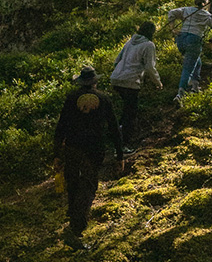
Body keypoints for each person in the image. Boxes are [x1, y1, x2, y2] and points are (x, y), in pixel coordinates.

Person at [54, 65, 124, 251]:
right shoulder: (104, 99)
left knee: (73, 182)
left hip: (72, 147)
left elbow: (61, 126)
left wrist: (56, 154)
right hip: (94, 148)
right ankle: (77, 227)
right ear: (95, 82)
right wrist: (120, 155)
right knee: (89, 184)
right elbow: (114, 128)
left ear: (80, 82)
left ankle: (73, 218)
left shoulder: (71, 99)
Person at [109, 21, 163, 153]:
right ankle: (122, 147)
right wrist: (158, 83)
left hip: (116, 79)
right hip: (131, 82)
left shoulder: (129, 42)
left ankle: (116, 142)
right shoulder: (149, 45)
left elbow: (117, 61)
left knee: (126, 112)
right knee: (130, 115)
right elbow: (150, 67)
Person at [168, 0, 212, 104]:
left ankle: (195, 86)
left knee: (196, 61)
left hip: (181, 40)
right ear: (206, 3)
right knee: (188, 68)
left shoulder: (186, 10)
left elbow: (171, 13)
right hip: (194, 40)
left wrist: (172, 29)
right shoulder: (206, 15)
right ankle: (180, 94)